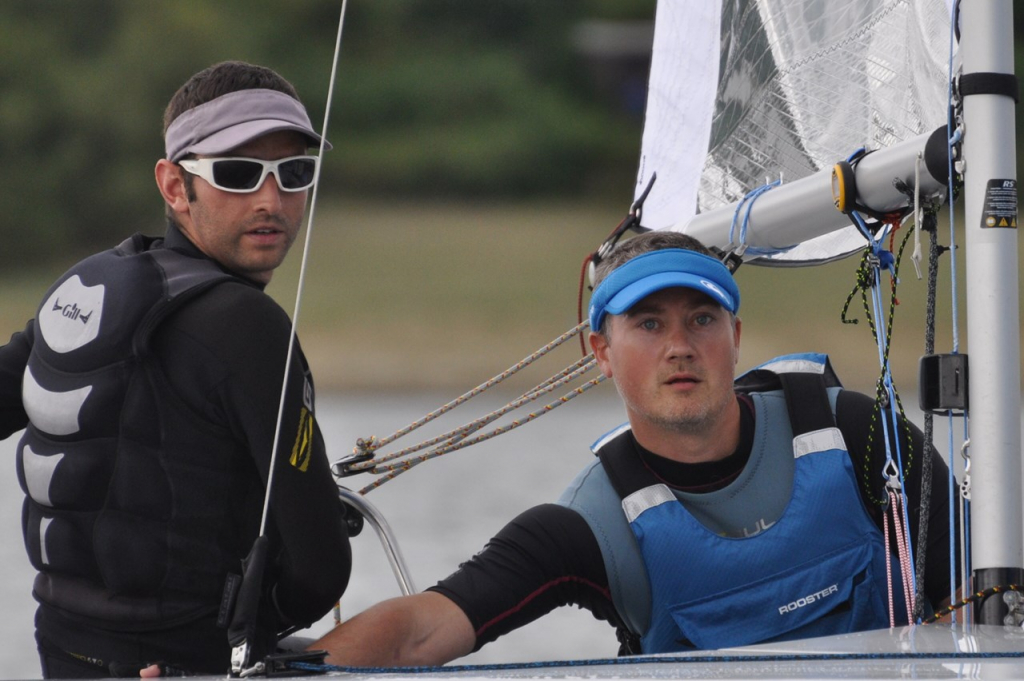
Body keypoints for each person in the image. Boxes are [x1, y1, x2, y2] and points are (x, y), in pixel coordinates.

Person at [310, 230, 957, 666]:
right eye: (649, 324)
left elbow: (981, 588)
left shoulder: (850, 430)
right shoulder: (591, 523)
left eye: (701, 319)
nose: (680, 346)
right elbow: (423, 629)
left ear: (735, 335)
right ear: (601, 352)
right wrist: (290, 669)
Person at [0, 61, 351, 678]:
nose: (271, 201)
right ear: (173, 185)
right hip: (186, 666)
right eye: (238, 174)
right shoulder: (248, 325)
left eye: (295, 173)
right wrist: (239, 634)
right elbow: (322, 571)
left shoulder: (85, 286)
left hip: (61, 652)